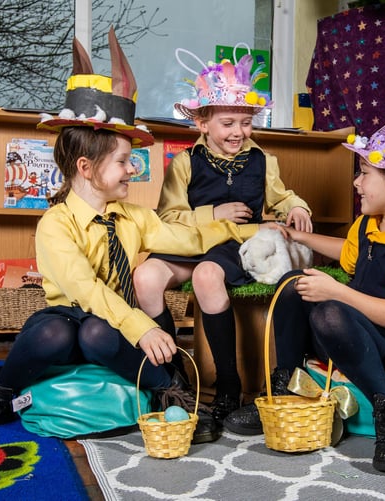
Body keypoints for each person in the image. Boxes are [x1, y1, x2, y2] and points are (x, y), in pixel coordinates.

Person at [0, 29, 283, 445]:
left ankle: (171, 388)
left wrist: (247, 227)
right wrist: (144, 329)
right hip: (75, 318)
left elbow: (184, 238)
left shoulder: (131, 216)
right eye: (123, 162)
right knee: (52, 329)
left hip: (106, 335)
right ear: (86, 167)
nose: (133, 170)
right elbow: (86, 289)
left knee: (96, 330)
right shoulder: (56, 224)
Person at [224, 115, 385, 474]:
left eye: (365, 173)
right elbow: (349, 253)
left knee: (329, 312)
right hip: (355, 333)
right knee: (293, 283)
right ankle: (283, 391)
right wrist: (299, 237)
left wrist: (337, 292)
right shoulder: (370, 223)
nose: (357, 182)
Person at [133, 49, 313, 425]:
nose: (238, 132)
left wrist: (297, 207)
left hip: (234, 245)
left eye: (245, 123)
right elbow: (168, 216)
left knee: (206, 275)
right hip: (188, 242)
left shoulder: (263, 160)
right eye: (228, 123)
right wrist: (211, 214)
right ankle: (171, 376)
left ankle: (227, 383)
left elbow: (282, 197)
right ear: (202, 124)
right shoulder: (184, 163)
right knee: (145, 277)